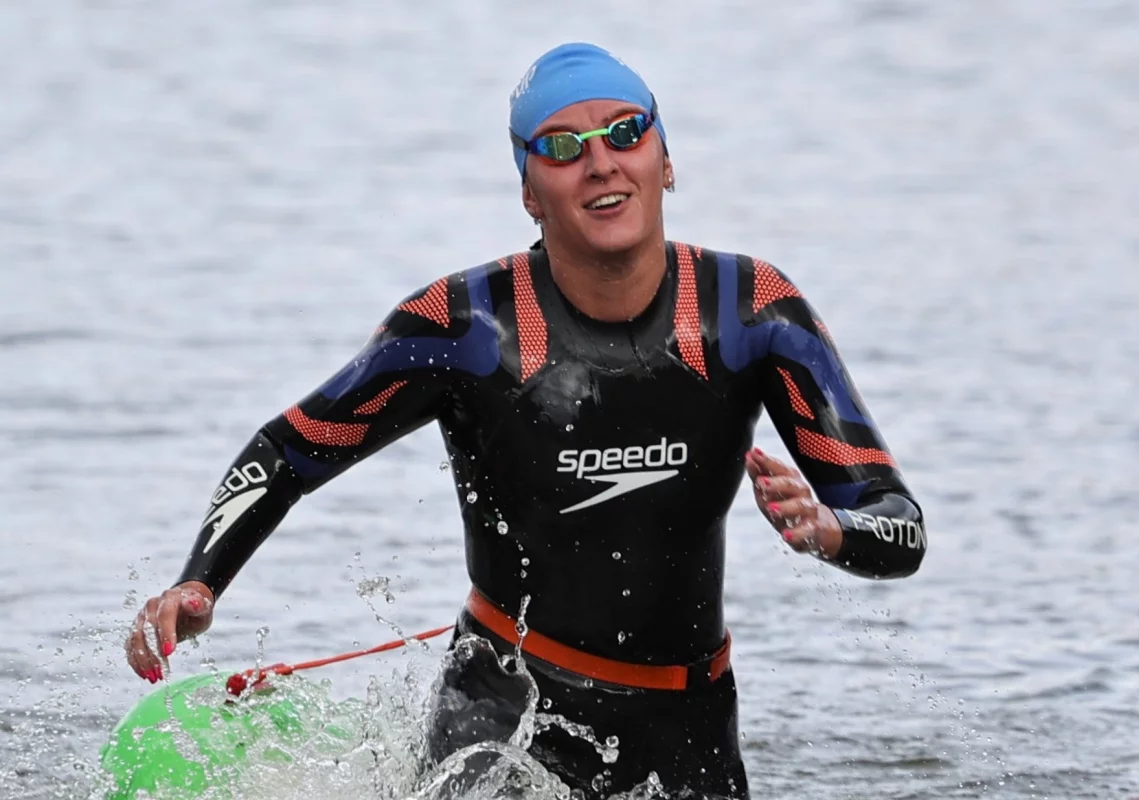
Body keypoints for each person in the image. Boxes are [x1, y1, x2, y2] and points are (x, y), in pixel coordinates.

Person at [124, 42, 926, 799]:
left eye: (625, 132)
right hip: (503, 720)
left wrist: (832, 532)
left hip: (691, 724)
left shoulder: (753, 313)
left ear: (666, 160)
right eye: (562, 147)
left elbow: (899, 524)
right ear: (529, 193)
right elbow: (289, 451)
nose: (601, 162)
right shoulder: (465, 327)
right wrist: (201, 580)